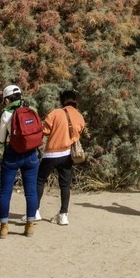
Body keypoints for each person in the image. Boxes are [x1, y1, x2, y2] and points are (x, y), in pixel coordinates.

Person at [0, 84, 40, 238]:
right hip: (31, 155)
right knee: (31, 192)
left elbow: (1, 139)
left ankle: (4, 228)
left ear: (7, 99)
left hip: (12, 155)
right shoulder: (31, 110)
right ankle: (29, 227)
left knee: (5, 192)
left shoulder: (7, 114)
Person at [36, 89, 85, 226]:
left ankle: (35, 211)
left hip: (52, 153)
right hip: (67, 155)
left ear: (62, 100)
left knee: (40, 180)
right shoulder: (80, 117)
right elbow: (79, 132)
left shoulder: (55, 113)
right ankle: (63, 215)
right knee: (65, 185)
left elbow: (44, 131)